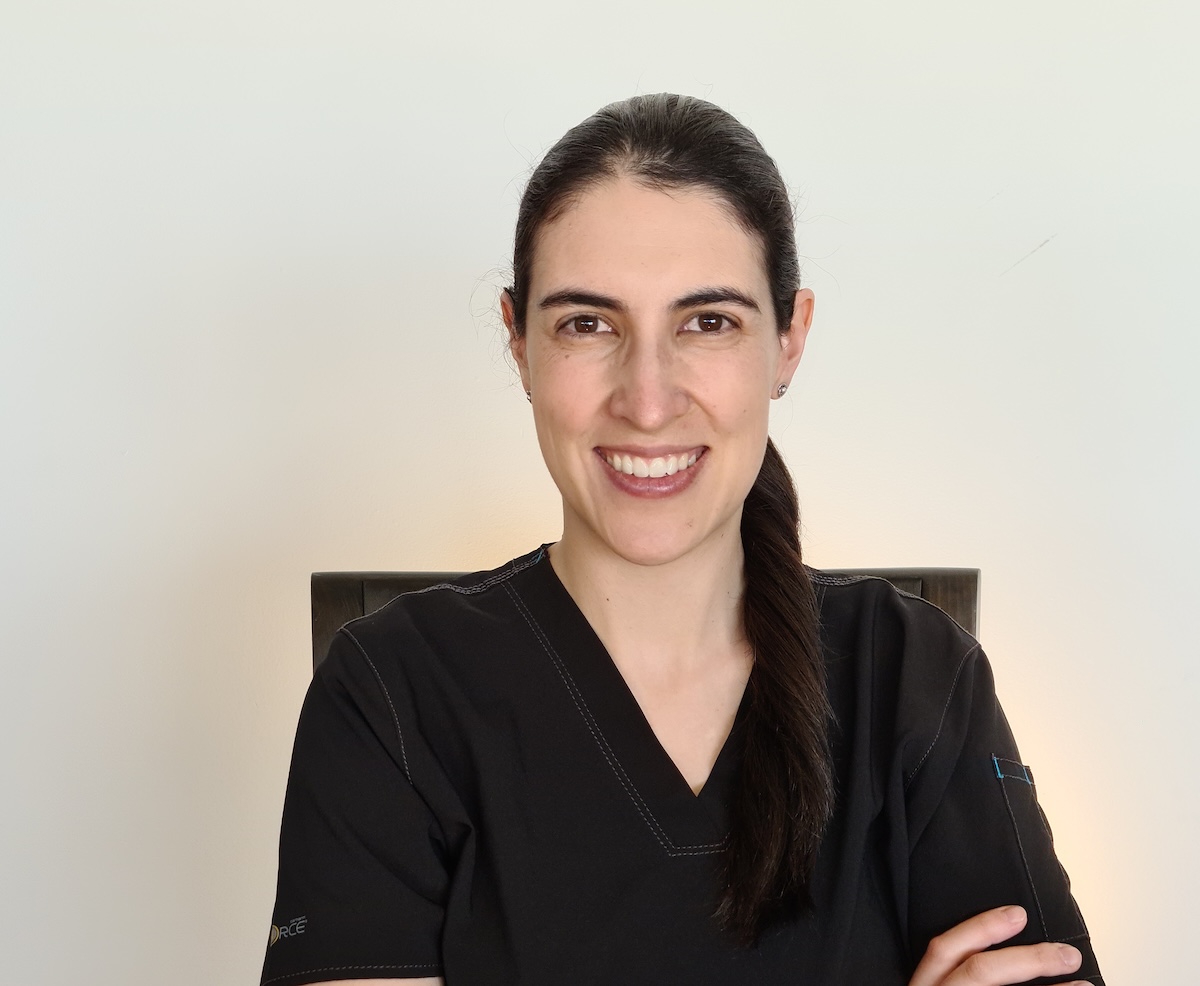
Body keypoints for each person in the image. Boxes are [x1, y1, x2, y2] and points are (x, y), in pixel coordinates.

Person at [260, 94, 1103, 985]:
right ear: (519, 342)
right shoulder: (391, 691)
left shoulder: (913, 671)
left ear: (789, 340)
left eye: (708, 322)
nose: (648, 400)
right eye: (588, 324)